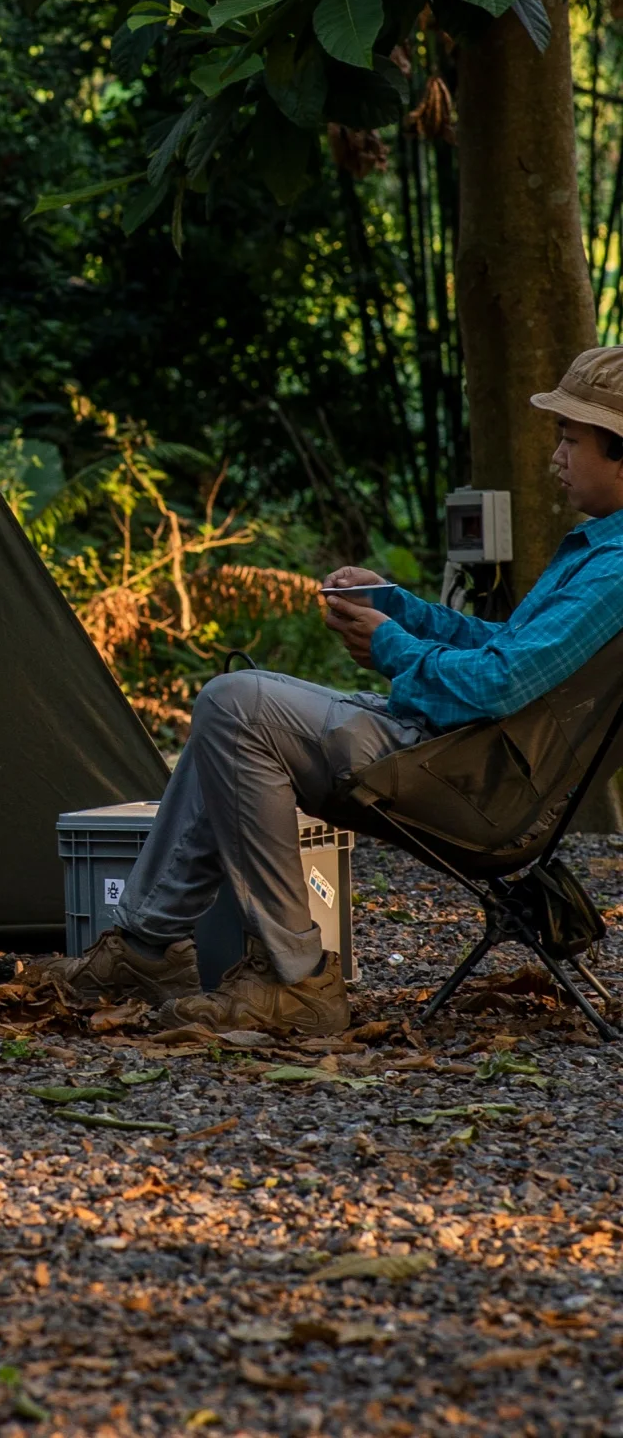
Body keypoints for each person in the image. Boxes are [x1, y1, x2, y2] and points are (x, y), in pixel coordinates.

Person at [51, 348, 623, 1035]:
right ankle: (146, 950)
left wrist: (391, 647)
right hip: (462, 757)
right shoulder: (599, 552)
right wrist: (399, 608)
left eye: (570, 440)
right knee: (229, 711)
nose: (556, 457)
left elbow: (497, 685)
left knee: (235, 704)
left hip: (472, 781)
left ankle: (293, 981)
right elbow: (507, 650)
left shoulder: (615, 570)